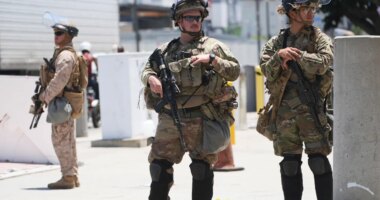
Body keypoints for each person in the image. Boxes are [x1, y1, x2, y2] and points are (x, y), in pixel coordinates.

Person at [141, 0, 240, 199]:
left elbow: (234, 71)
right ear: (179, 21)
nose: (195, 22)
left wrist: (212, 60)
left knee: (201, 169)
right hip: (170, 117)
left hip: (202, 117)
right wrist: (151, 78)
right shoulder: (165, 50)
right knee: (159, 168)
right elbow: (147, 69)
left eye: (198, 17)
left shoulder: (214, 47)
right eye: (189, 18)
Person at [259, 0, 334, 199]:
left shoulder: (319, 38)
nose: (311, 13)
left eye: (313, 9)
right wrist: (279, 56)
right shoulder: (277, 42)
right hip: (284, 113)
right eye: (306, 9)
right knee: (289, 164)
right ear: (292, 13)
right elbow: (266, 70)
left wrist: (299, 56)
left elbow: (324, 63)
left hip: (311, 111)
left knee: (318, 161)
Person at [38, 21, 81, 189]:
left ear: (69, 35)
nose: (55, 37)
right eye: (55, 33)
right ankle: (72, 175)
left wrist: (44, 97)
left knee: (60, 140)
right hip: (65, 102)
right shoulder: (65, 53)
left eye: (59, 33)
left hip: (62, 103)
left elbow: (59, 81)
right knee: (68, 140)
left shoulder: (65, 56)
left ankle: (68, 176)